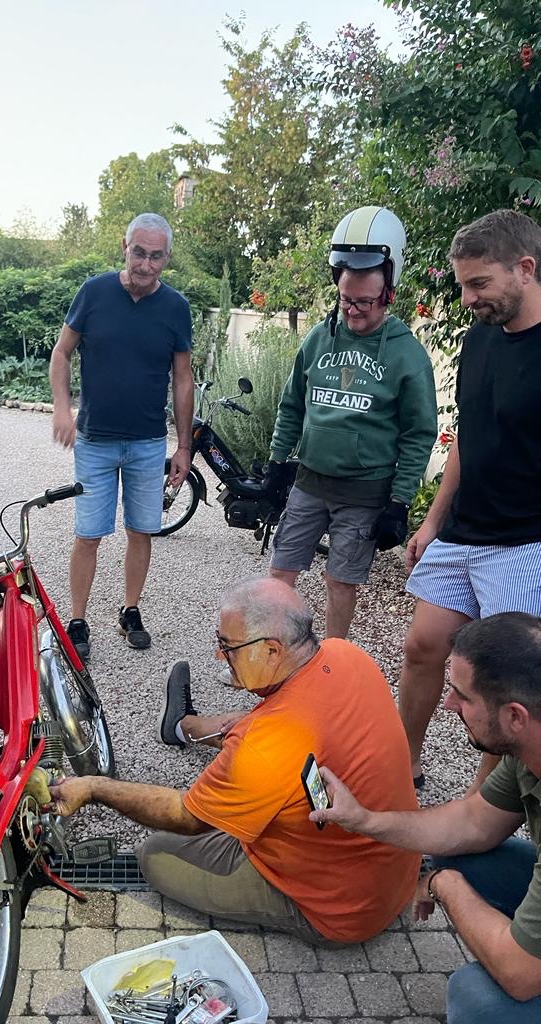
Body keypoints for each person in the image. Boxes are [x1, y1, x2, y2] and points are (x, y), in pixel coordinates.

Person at [51, 577, 420, 944]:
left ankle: (183, 733)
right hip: (396, 873)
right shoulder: (345, 653)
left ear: (272, 651)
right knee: (250, 725)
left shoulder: (263, 746)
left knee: (154, 854)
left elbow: (186, 817)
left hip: (341, 911)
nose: (219, 656)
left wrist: (96, 787)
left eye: (227, 646)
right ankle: (181, 725)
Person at [315, 613, 541, 1022]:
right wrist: (362, 819)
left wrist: (444, 885)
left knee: (479, 1001)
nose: (448, 704)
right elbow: (471, 823)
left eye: (462, 696)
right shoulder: (527, 744)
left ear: (515, 716)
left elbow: (520, 975)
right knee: (458, 853)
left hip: (523, 972)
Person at [399, 209, 541, 792]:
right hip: (464, 531)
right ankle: (401, 768)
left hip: (524, 542)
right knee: (422, 646)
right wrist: (434, 520)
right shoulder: (479, 338)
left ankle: (483, 813)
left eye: (479, 283)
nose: (467, 299)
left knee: (502, 684)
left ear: (525, 269)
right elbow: (467, 434)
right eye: (462, 285)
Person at [266, 205, 437, 639]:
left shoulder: (407, 356)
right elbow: (292, 404)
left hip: (364, 493)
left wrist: (399, 502)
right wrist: (276, 461)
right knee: (280, 572)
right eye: (345, 300)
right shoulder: (319, 338)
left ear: (388, 294)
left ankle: (332, 663)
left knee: (340, 583)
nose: (353, 311)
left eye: (364, 302)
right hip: (310, 482)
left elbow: (418, 435)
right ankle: (270, 652)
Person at [49, 212, 193, 659]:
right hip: (94, 441)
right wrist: (62, 408)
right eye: (139, 252)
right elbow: (61, 352)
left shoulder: (176, 307)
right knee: (88, 534)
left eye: (156, 256)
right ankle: (77, 620)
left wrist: (184, 445)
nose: (146, 264)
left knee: (141, 531)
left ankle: (130, 610)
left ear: (167, 258)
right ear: (124, 247)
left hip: (147, 443)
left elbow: (183, 379)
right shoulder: (93, 293)